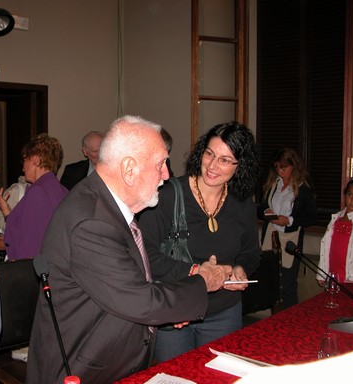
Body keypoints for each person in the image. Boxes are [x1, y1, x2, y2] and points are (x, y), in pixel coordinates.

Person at [26, 115, 234, 384]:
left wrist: (170, 313)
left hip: (109, 359)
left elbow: (122, 291)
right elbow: (139, 301)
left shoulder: (106, 205)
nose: (167, 175)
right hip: (82, 370)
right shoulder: (91, 222)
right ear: (129, 169)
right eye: (160, 164)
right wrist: (203, 281)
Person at [139, 122, 262, 362]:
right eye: (210, 154)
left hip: (224, 311)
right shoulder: (169, 195)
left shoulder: (242, 203)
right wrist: (197, 273)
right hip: (175, 312)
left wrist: (240, 269)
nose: (213, 166)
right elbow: (145, 254)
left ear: (241, 166)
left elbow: (251, 252)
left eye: (225, 160)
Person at [258, 147, 317, 308]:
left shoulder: (303, 188)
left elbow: (312, 216)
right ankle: (274, 321)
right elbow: (260, 208)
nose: (280, 172)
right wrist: (266, 212)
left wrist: (289, 220)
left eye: (284, 168)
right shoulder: (273, 185)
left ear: (294, 166)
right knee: (272, 284)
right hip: (271, 236)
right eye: (277, 167)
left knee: (288, 285)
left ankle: (291, 323)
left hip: (291, 240)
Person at [3, 134, 68, 260]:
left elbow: (31, 243)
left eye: (25, 160)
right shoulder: (62, 190)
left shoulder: (38, 191)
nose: (22, 168)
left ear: (36, 159)